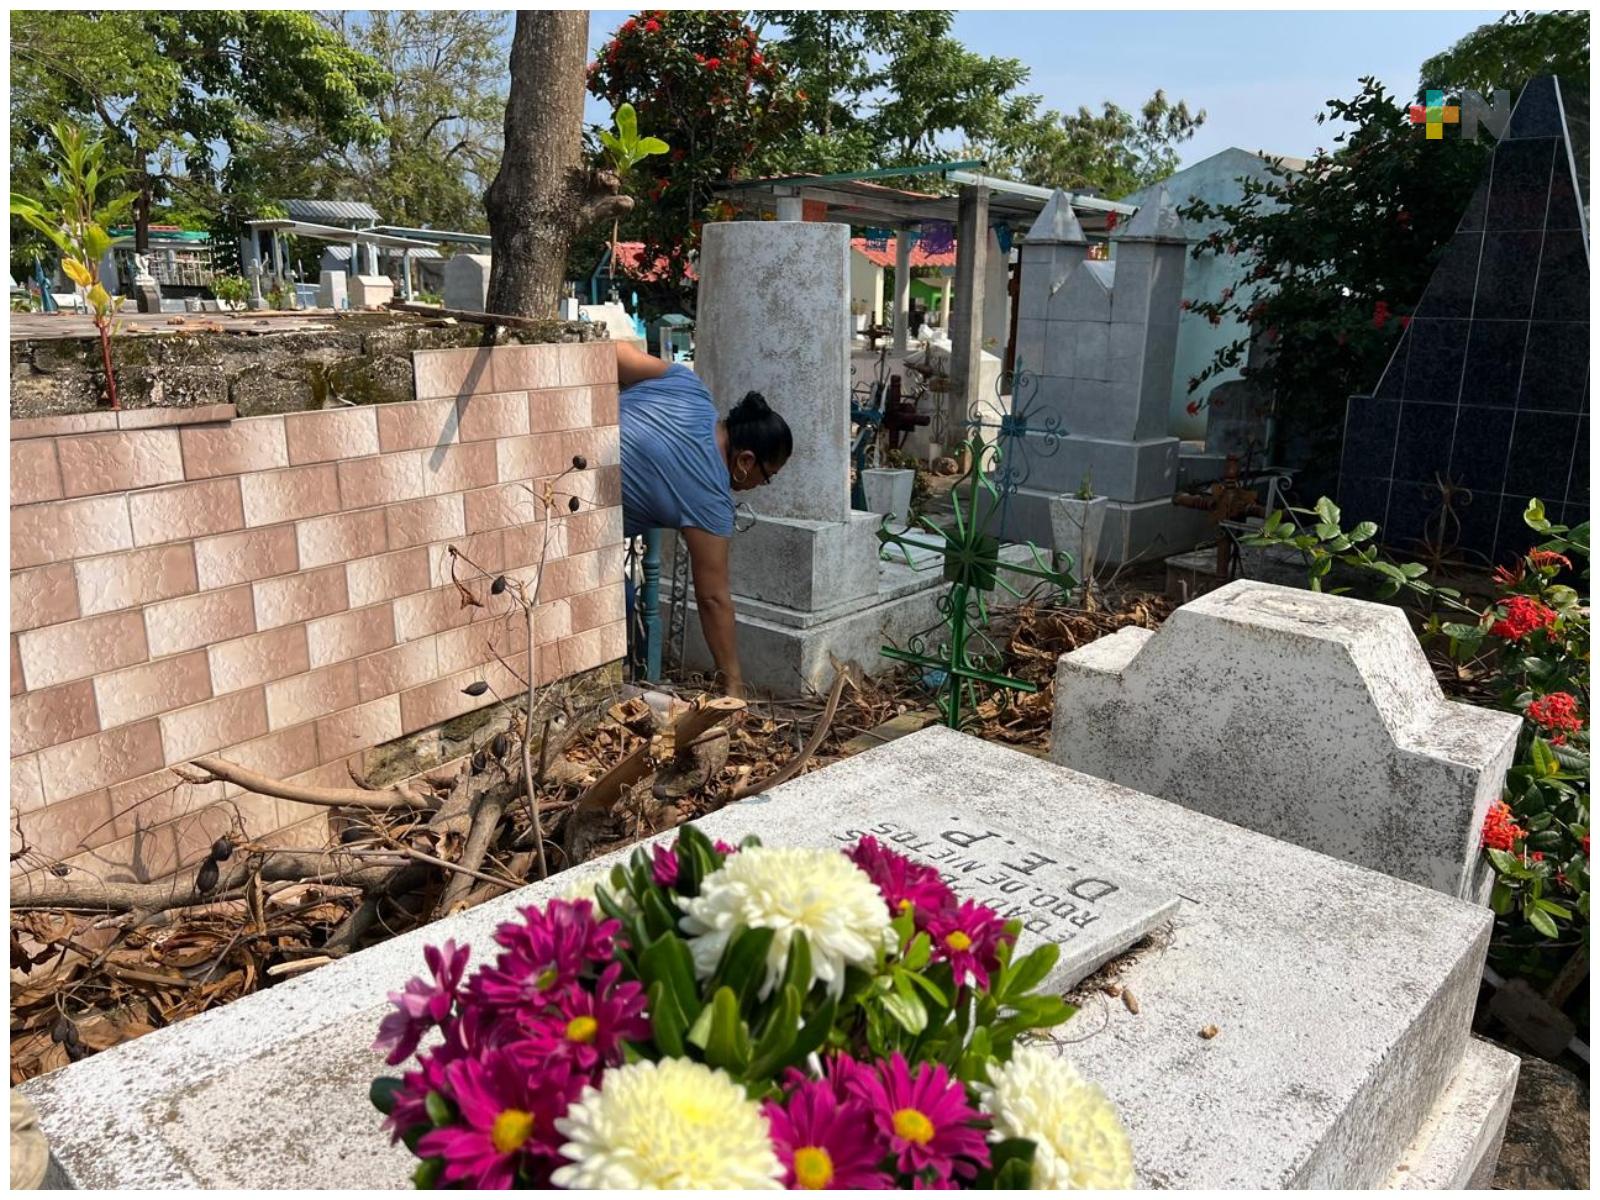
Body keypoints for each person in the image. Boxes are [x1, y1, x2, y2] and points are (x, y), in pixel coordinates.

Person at [616, 341, 793, 697]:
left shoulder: (687, 385)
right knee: (615, 607)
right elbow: (713, 599)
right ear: (745, 461)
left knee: (625, 595)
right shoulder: (710, 500)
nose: (762, 485)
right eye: (767, 475)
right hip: (557, 518)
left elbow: (610, 352)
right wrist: (733, 685)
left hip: (541, 442)